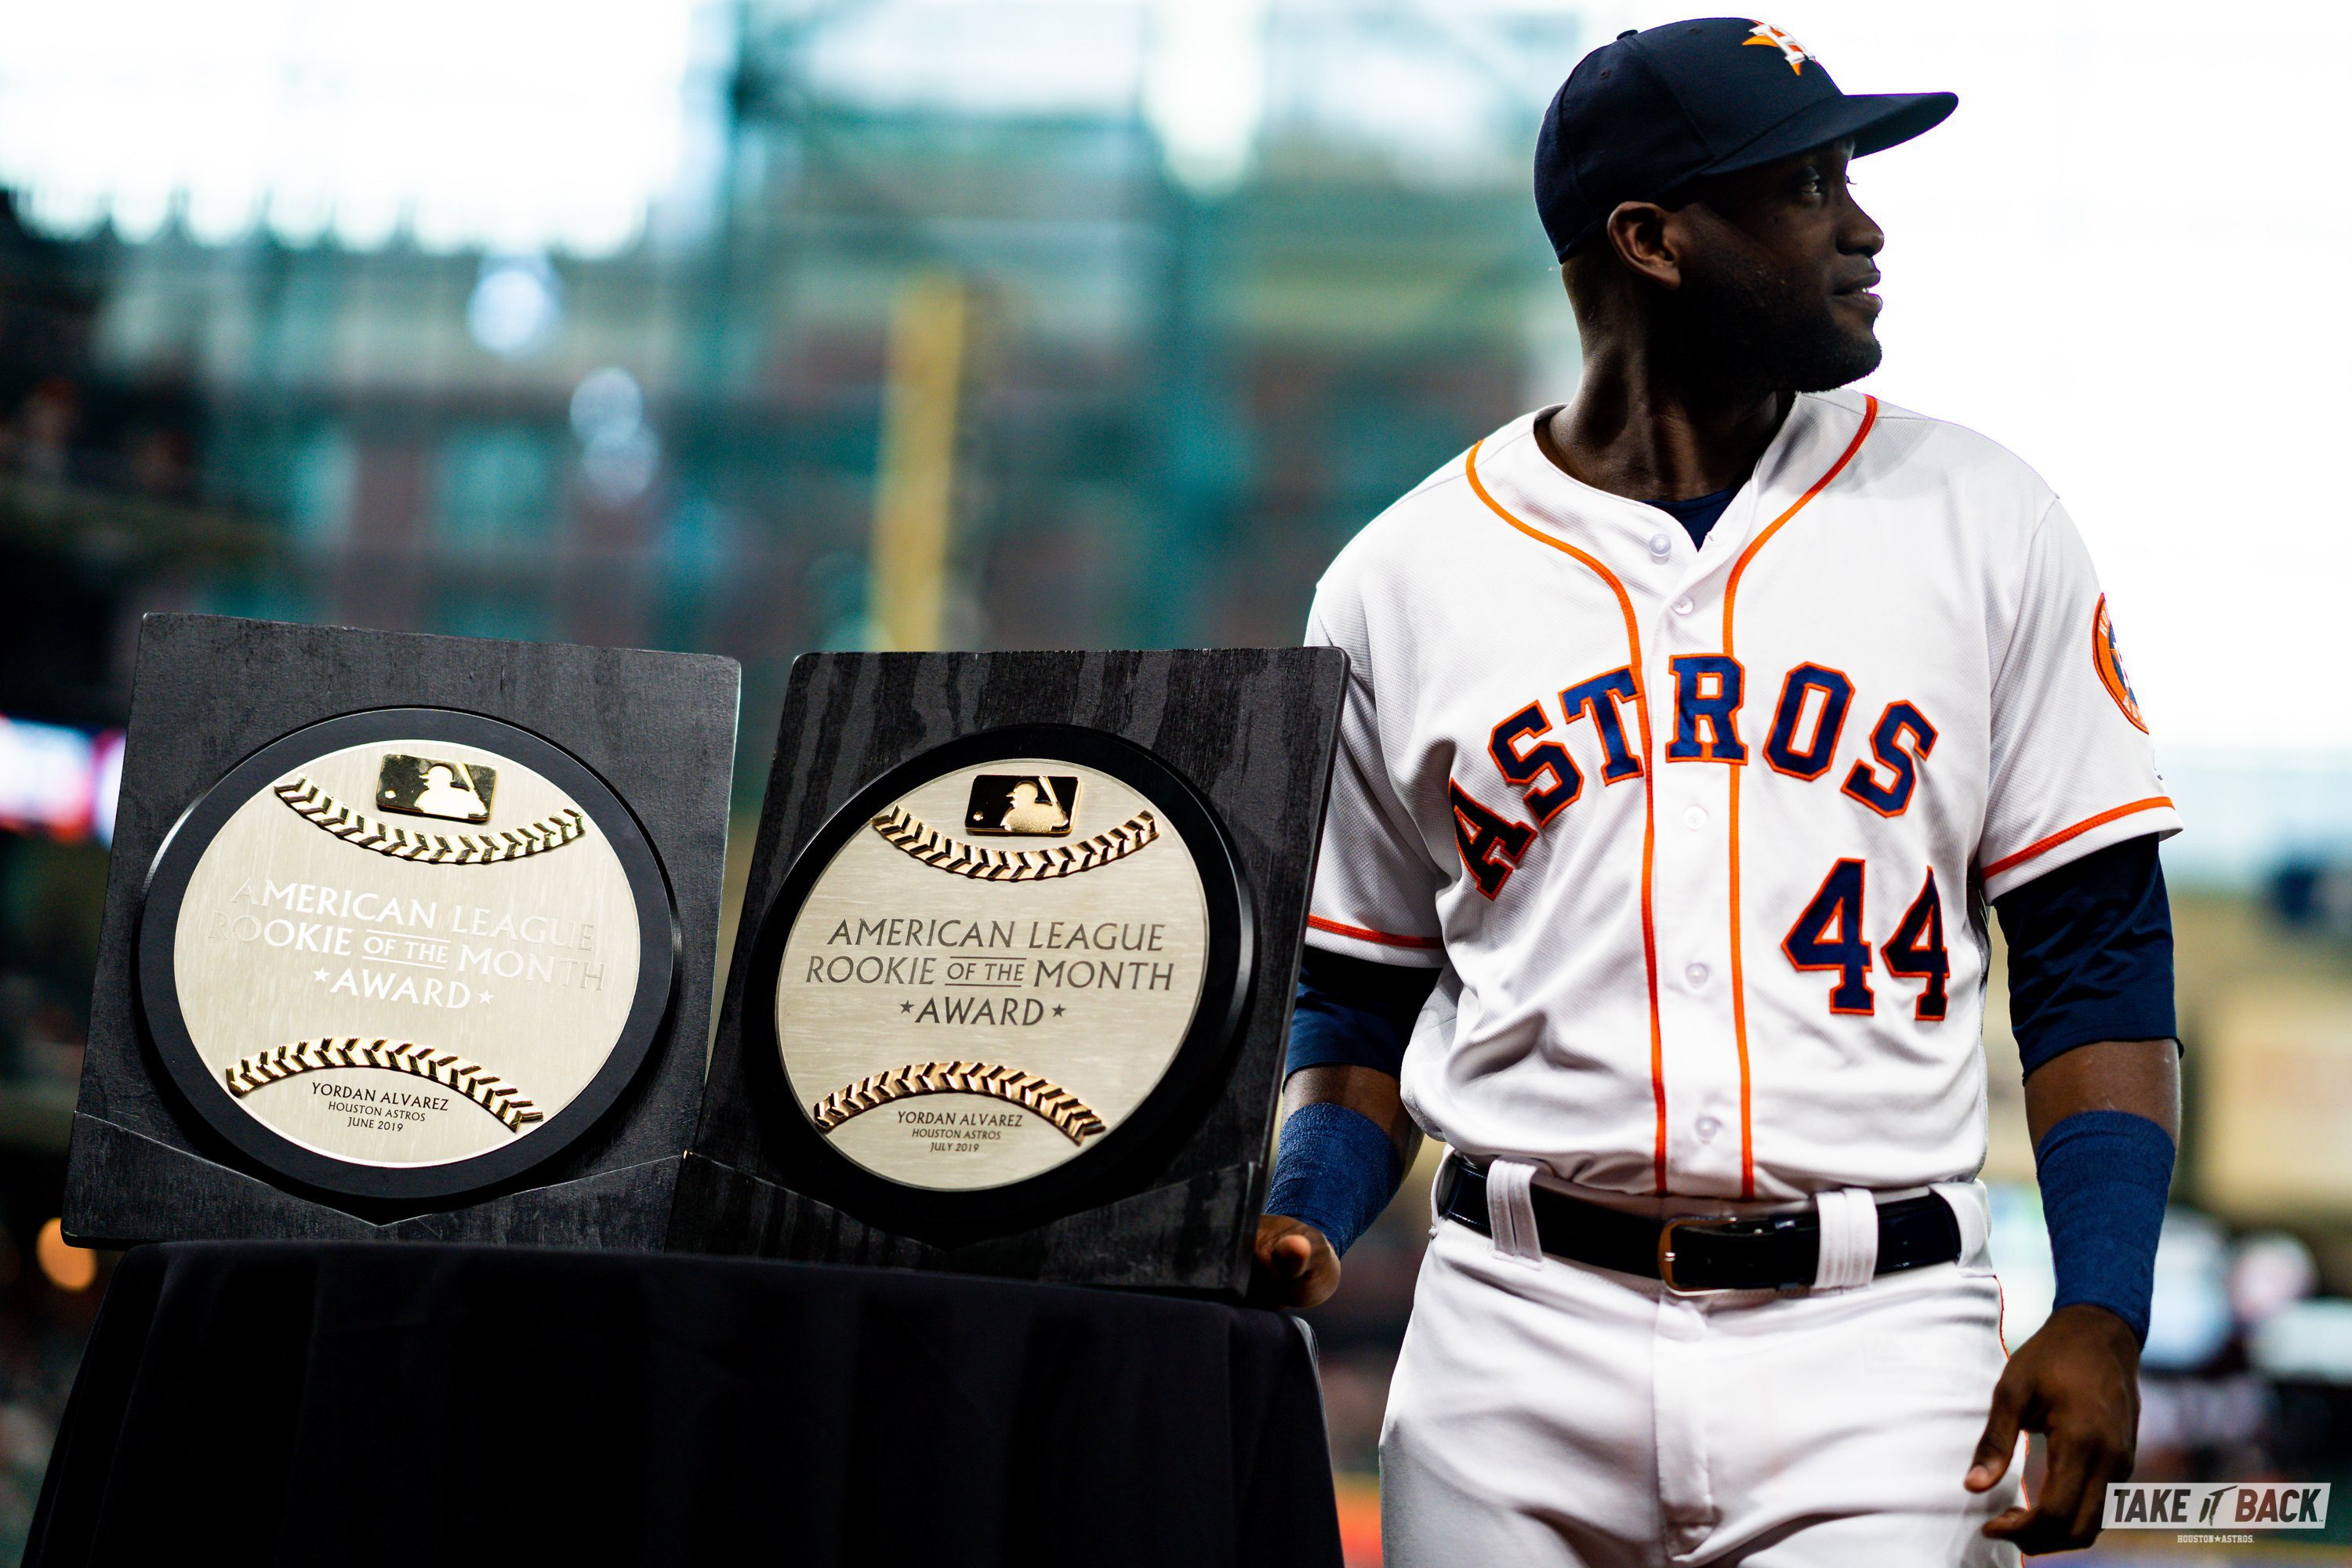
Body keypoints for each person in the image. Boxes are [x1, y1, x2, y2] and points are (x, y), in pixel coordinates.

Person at [1252, 18, 2180, 1566]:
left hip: (1876, 1348)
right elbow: (1355, 1003)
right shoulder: (1401, 579)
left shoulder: (1986, 521)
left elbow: (2097, 963)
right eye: (1808, 186)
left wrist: (2104, 1305)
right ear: (1652, 239)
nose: (1864, 225)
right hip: (1513, 1336)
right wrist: (1309, 1201)